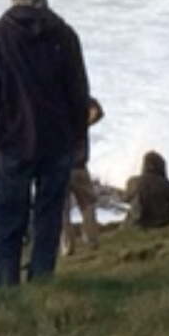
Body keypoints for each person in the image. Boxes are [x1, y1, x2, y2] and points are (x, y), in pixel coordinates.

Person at [0, 0, 90, 286]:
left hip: (14, 139)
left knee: (10, 218)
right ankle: (42, 281)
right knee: (48, 218)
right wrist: (76, 136)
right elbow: (78, 92)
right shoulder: (65, 33)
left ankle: (7, 284)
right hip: (56, 139)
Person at [62, 97, 105, 255]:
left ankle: (67, 246)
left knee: (62, 208)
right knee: (87, 204)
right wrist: (85, 122)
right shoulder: (79, 101)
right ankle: (91, 241)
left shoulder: (53, 103)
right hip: (79, 165)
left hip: (58, 166)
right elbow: (98, 112)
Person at [122, 151, 169, 228]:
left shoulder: (133, 181)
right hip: (165, 222)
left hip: (138, 223)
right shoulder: (167, 183)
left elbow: (126, 198)